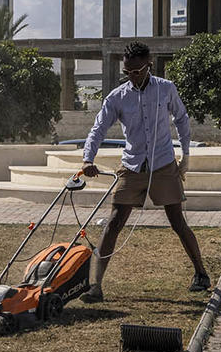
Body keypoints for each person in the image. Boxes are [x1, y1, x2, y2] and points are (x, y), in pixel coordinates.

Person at [79, 41, 208, 301]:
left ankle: (201, 274)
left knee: (177, 222)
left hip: (163, 164)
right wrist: (87, 159)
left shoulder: (165, 89)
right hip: (132, 165)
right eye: (128, 72)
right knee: (114, 221)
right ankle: (96, 286)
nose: (133, 76)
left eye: (137, 71)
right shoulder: (117, 97)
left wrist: (186, 155)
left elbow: (181, 118)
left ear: (148, 66)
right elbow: (99, 128)